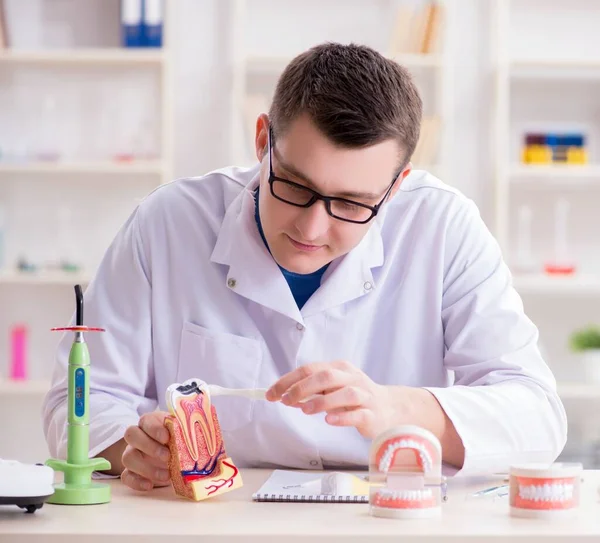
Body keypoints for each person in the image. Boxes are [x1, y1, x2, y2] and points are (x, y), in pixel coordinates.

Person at [42, 42, 567, 493]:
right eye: (295, 186)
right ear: (262, 142)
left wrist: (393, 407)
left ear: (396, 186)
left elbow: (538, 418)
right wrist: (130, 447)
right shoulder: (168, 222)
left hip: (386, 518)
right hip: (213, 523)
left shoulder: (443, 226)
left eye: (353, 203)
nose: (312, 229)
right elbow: (80, 401)